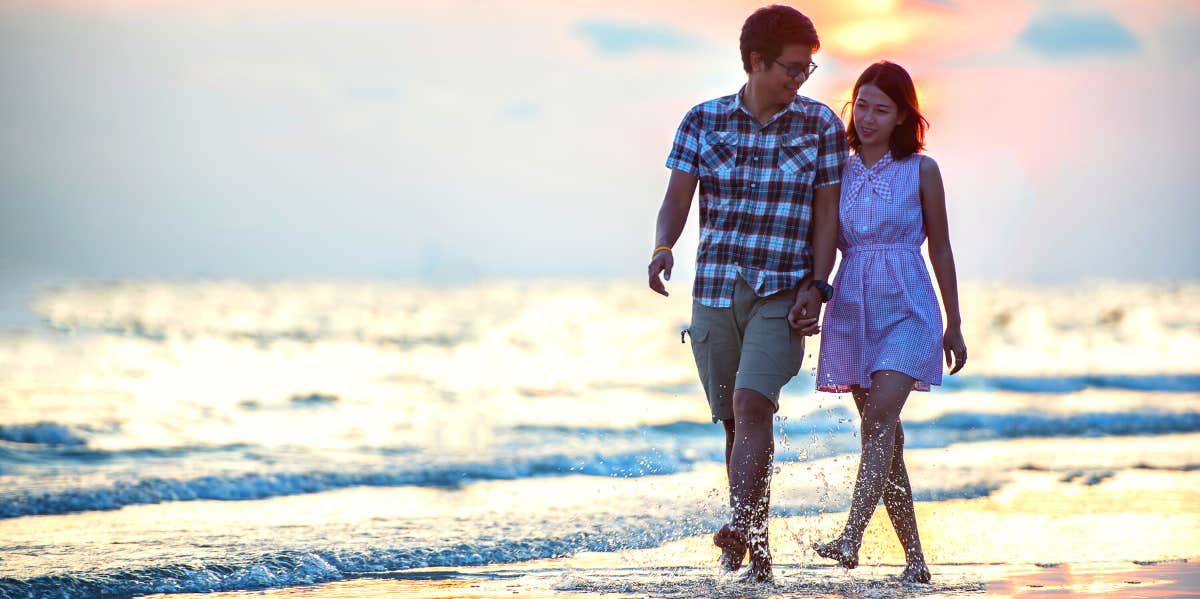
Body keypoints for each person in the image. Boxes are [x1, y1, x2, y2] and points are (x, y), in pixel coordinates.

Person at [647, 5, 848, 583]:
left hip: (782, 292)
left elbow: (827, 215)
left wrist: (818, 284)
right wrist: (663, 247)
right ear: (757, 62)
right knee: (736, 425)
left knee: (752, 405)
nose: (800, 79)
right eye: (791, 68)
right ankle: (755, 552)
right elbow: (676, 199)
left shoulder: (819, 126)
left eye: (808, 69)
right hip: (715, 288)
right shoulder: (703, 121)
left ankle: (740, 528)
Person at [811, 60, 968, 583]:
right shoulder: (838, 167)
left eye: (884, 109)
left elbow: (941, 247)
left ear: (903, 116)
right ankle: (916, 563)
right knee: (886, 440)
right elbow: (826, 245)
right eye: (863, 105)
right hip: (853, 310)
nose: (870, 117)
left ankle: (851, 537)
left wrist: (954, 321)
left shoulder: (923, 170)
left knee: (878, 424)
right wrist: (809, 296)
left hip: (909, 308)